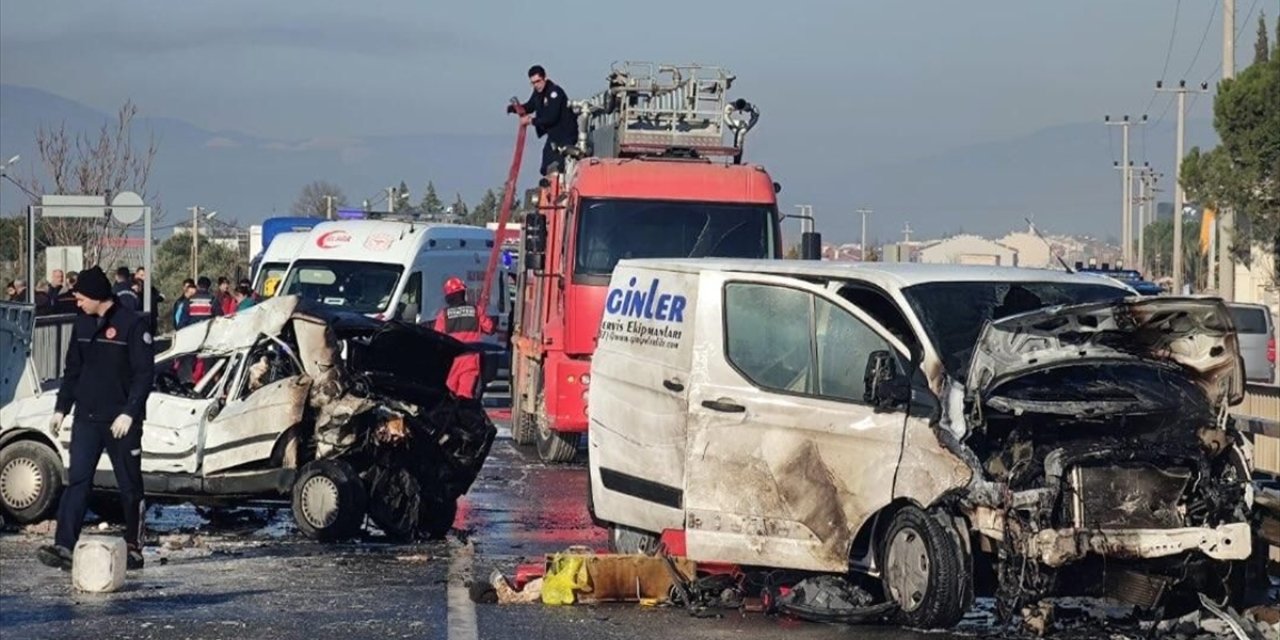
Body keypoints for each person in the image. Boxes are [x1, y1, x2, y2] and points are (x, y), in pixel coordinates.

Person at [36, 266, 154, 572]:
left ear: (97, 296)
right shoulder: (82, 323)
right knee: (77, 482)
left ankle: (134, 544)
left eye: (81, 298)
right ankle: (64, 544)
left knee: (130, 486)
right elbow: (73, 369)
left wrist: (130, 411)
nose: (78, 303)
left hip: (120, 421)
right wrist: (62, 407)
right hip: (87, 416)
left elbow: (144, 374)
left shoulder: (132, 324)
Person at [432, 277, 495, 399]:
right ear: (463, 293)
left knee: (450, 395)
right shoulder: (476, 310)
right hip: (470, 360)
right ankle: (464, 415)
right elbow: (489, 328)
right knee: (466, 395)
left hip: (451, 361)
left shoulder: (443, 315)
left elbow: (437, 338)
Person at [513, 65, 579, 176]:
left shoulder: (555, 92)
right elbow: (530, 106)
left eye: (538, 81)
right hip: (553, 136)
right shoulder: (538, 93)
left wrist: (531, 121)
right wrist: (515, 109)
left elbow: (551, 117)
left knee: (558, 166)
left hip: (565, 135)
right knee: (546, 167)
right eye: (533, 83)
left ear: (545, 78)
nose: (536, 85)